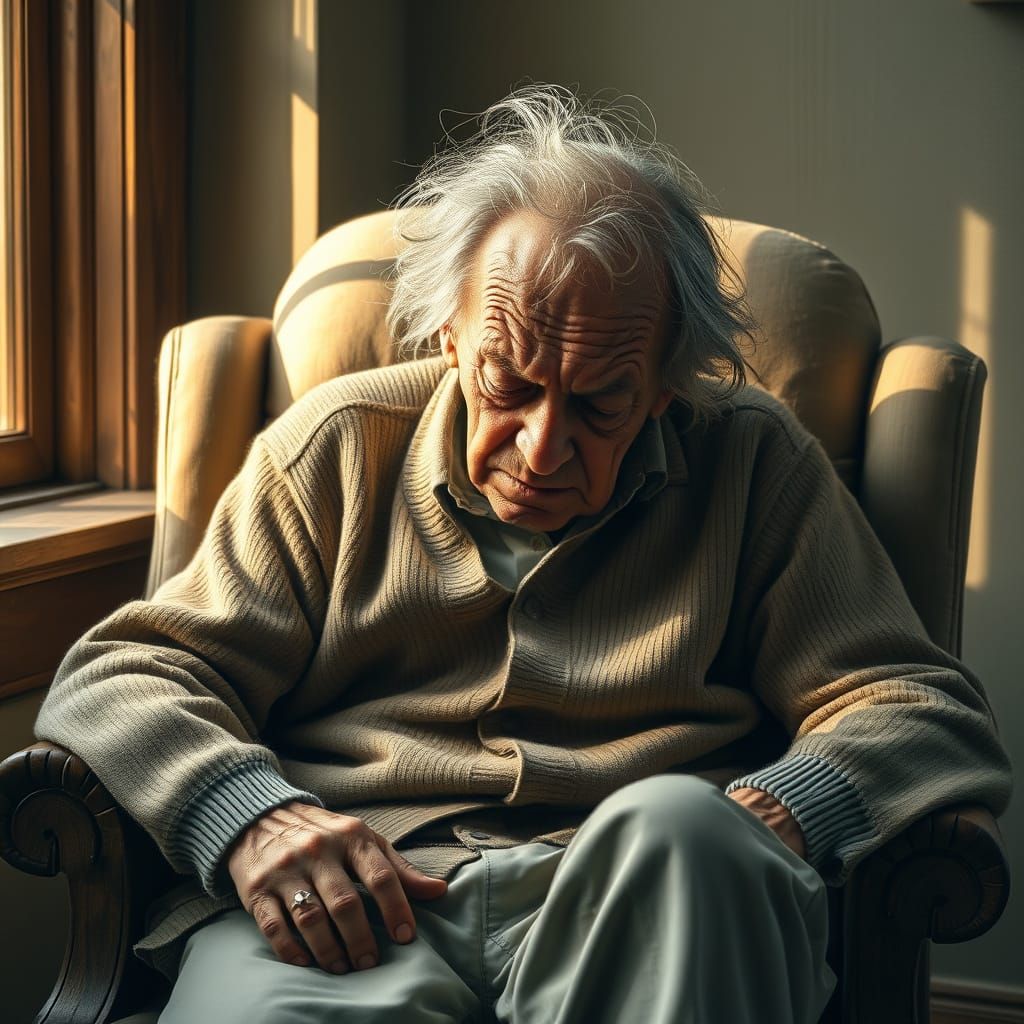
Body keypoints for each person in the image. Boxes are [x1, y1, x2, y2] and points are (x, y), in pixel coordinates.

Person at [36, 85, 1011, 1024]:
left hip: (644, 898)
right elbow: (124, 674)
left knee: (687, 829)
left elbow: (918, 707)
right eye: (509, 383)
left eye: (600, 403)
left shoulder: (753, 461)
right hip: (358, 900)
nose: (542, 449)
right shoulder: (336, 446)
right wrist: (250, 815)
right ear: (449, 335)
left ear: (667, 383)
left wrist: (776, 813)